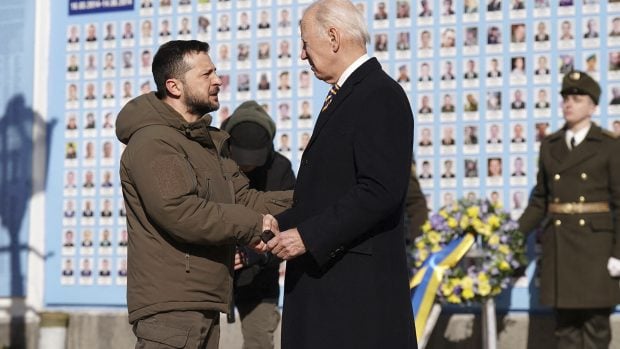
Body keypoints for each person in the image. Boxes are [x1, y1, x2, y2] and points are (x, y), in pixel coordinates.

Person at [115, 40, 293, 348]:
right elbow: (181, 211)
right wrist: (254, 226)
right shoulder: (155, 143)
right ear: (174, 86)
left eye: (216, 72)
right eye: (206, 74)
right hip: (172, 309)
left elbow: (246, 199)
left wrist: (313, 197)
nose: (218, 80)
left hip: (204, 304)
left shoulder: (205, 143)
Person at [263, 1, 416, 348]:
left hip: (355, 298)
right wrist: (277, 226)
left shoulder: (379, 94)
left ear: (333, 37)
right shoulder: (346, 95)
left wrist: (308, 236)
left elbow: (380, 190)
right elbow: (327, 194)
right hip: (329, 289)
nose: (302, 55)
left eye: (305, 42)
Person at [518, 70, 620, 349]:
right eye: (565, 98)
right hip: (560, 246)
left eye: (577, 98)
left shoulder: (610, 145)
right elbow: (541, 200)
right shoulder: (550, 145)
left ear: (593, 105)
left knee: (596, 327)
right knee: (565, 331)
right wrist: (512, 234)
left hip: (596, 250)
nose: (569, 104)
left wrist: (618, 253)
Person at [221, 101, 296, 349]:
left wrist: (255, 255)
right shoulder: (212, 160)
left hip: (260, 278)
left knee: (259, 343)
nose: (246, 166)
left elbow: (289, 226)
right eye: (241, 159)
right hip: (211, 272)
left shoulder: (281, 169)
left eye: (253, 161)